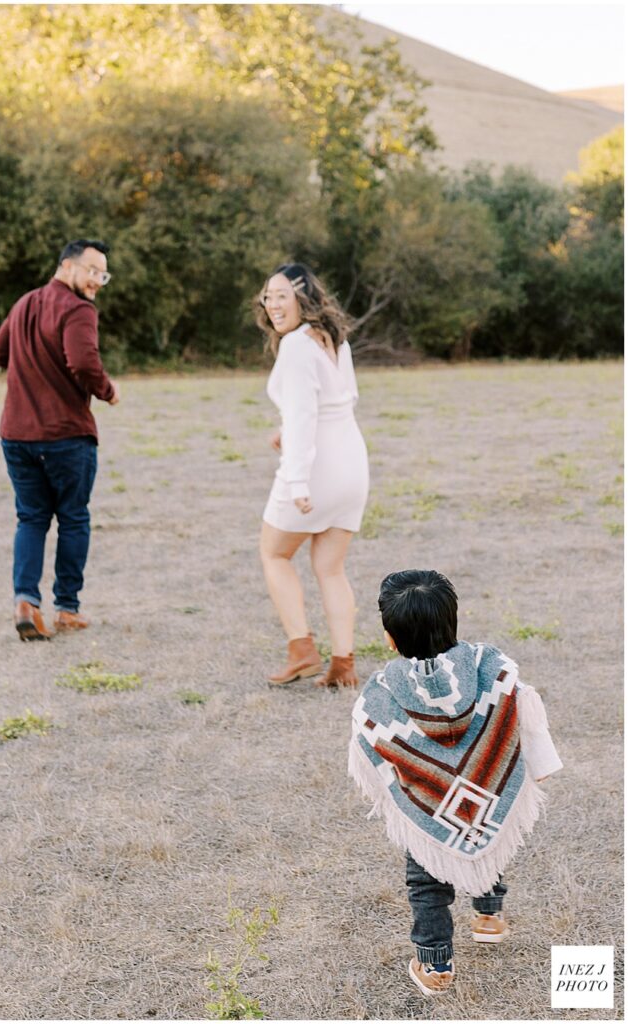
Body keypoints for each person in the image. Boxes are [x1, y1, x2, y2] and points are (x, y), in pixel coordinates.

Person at [348, 569, 563, 996]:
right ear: (454, 621)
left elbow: (369, 742)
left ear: (390, 637)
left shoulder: (382, 691)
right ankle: (489, 917)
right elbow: (524, 708)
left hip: (429, 803)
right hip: (486, 788)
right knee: (489, 825)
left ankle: (435, 965)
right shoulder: (489, 667)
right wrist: (539, 764)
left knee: (427, 879)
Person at [0, 238, 120, 641]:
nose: (98, 280)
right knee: (73, 517)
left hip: (16, 433)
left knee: (31, 518)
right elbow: (82, 361)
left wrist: (32, 370)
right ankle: (67, 608)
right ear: (67, 266)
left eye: (104, 274)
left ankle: (26, 602)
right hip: (64, 435)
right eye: (92, 270)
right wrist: (107, 390)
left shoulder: (24, 303)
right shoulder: (79, 310)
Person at [254, 262, 369, 688]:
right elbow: (337, 402)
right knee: (330, 567)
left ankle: (301, 649)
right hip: (352, 465)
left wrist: (298, 481)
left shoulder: (297, 347)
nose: (272, 304)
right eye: (268, 296)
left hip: (316, 467)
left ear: (305, 297)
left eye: (282, 295)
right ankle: (343, 665)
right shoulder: (335, 341)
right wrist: (287, 431)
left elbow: (305, 415)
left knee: (273, 553)